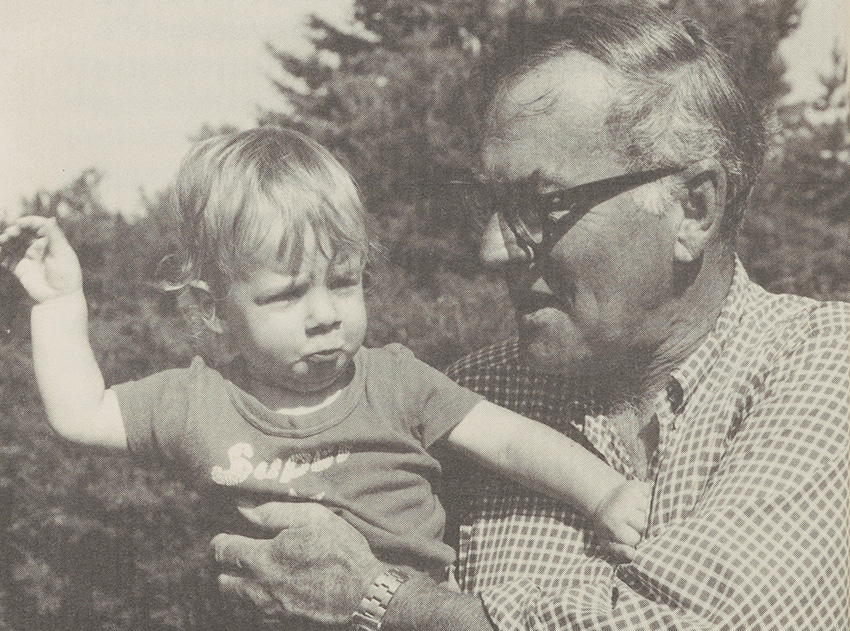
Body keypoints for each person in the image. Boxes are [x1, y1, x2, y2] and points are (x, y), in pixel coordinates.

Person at [207, 6, 850, 631]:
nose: (492, 248)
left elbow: (708, 620)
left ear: (694, 208)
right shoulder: (471, 399)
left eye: (542, 205)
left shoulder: (823, 363)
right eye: (492, 204)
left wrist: (379, 603)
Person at [0, 127, 651, 622]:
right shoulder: (196, 400)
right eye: (285, 296)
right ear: (212, 308)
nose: (324, 315)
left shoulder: (396, 382)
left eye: (343, 283)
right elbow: (78, 414)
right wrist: (59, 305)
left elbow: (509, 439)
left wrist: (603, 493)